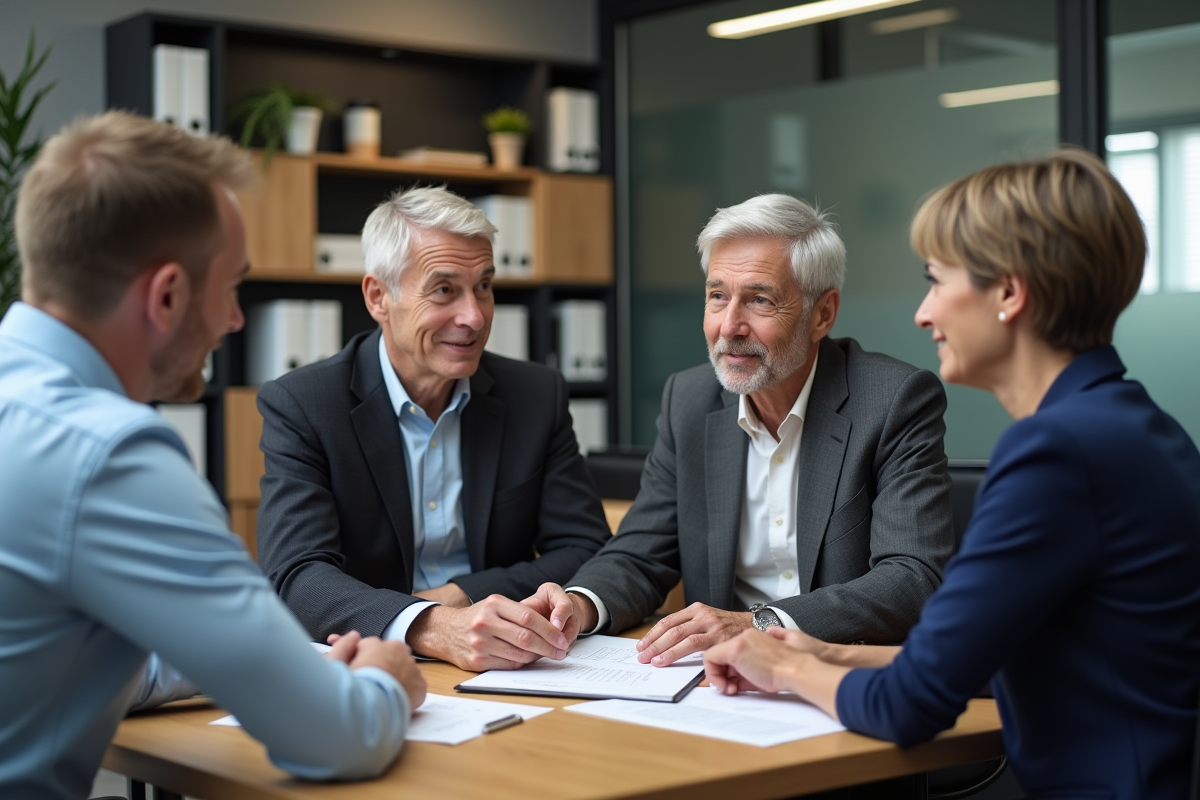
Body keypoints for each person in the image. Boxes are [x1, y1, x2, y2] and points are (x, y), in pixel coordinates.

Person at [703, 150, 1200, 799]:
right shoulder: (1132, 425)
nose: (923, 313)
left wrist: (781, 667)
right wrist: (816, 653)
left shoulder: (1056, 453)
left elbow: (909, 704)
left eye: (937, 281)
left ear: (1010, 294)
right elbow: (983, 665)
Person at [0, 112, 427, 800]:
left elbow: (60, 649)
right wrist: (383, 679)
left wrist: (271, 664)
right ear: (167, 296)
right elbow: (335, 738)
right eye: (231, 288)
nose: (234, 321)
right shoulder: (107, 457)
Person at [524, 194, 955, 665]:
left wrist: (759, 623)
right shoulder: (688, 401)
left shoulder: (892, 400)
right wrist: (580, 605)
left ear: (823, 314)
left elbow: (911, 576)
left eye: (759, 299)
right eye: (717, 296)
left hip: (840, 674)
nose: (729, 326)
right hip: (720, 683)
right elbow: (639, 555)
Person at [256, 186, 611, 672]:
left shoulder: (535, 394)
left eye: (484, 286)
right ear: (378, 297)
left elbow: (585, 548)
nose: (474, 316)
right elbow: (297, 576)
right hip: (371, 661)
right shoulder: (304, 405)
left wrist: (462, 595)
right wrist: (430, 623)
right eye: (444, 290)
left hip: (506, 659)